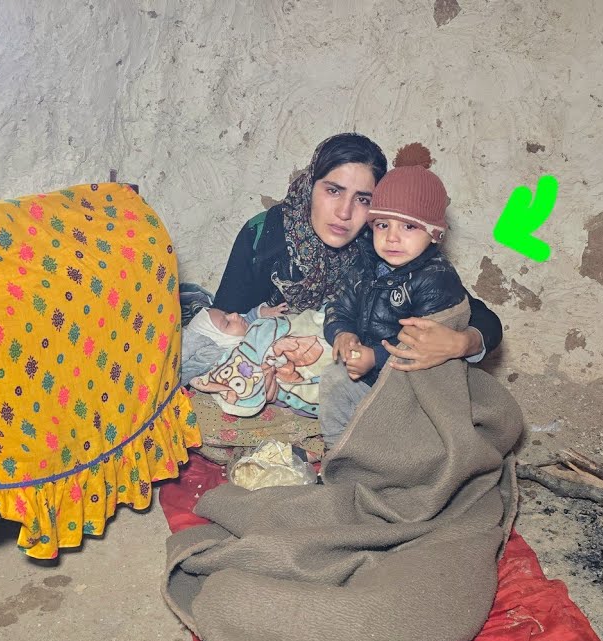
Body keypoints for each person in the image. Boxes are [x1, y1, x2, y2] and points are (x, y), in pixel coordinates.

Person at [212, 132, 502, 373]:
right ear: (310, 185)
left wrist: (462, 344)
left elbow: (481, 319)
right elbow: (222, 323)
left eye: (363, 199)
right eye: (333, 191)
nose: (344, 212)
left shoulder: (384, 244)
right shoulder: (264, 234)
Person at [319, 163, 467, 446]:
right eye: (383, 225)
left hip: (409, 387)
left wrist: (376, 357)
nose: (392, 238)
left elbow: (426, 350)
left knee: (412, 438)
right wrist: (342, 332)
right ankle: (339, 453)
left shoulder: (436, 280)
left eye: (409, 226)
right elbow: (340, 305)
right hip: (368, 374)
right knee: (333, 380)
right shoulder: (366, 263)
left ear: (434, 233)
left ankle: (387, 457)